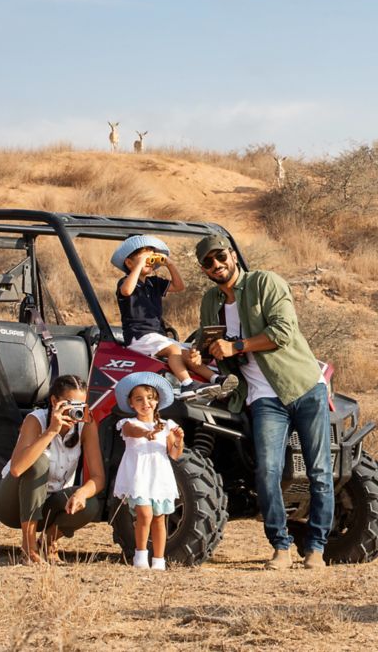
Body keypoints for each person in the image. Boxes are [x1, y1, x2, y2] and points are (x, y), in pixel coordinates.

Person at [187, 234, 333, 571]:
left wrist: (236, 348)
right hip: (261, 396)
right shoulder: (210, 300)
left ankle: (316, 548)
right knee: (266, 473)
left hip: (302, 386)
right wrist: (198, 350)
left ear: (233, 255)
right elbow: (207, 335)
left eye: (220, 256)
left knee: (319, 471)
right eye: (208, 263)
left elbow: (283, 330)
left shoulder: (266, 283)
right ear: (204, 270)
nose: (216, 265)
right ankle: (280, 547)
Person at [0, 375, 106, 564]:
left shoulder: (86, 425)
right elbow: (17, 469)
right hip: (12, 503)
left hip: (49, 503)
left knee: (90, 504)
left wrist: (82, 493)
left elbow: (99, 478)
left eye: (80, 405)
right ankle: (28, 546)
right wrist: (51, 431)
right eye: (69, 404)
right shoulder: (36, 420)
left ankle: (47, 543)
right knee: (38, 462)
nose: (75, 410)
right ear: (54, 401)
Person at [111, 234, 237, 397]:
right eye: (145, 256)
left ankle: (215, 379)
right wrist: (139, 265)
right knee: (173, 350)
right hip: (139, 337)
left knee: (190, 353)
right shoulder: (126, 282)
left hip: (156, 335)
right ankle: (187, 385)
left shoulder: (153, 283)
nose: (150, 260)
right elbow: (127, 291)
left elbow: (179, 286)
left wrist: (169, 264)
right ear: (129, 263)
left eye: (152, 256)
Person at [111, 371, 184, 570]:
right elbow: (133, 432)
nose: (146, 403)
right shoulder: (129, 424)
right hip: (140, 477)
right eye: (139, 399)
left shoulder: (167, 426)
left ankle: (159, 559)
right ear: (131, 404)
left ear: (157, 401)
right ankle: (140, 555)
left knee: (159, 518)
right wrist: (147, 432)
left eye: (150, 398)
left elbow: (174, 454)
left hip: (158, 478)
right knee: (144, 514)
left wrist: (178, 439)